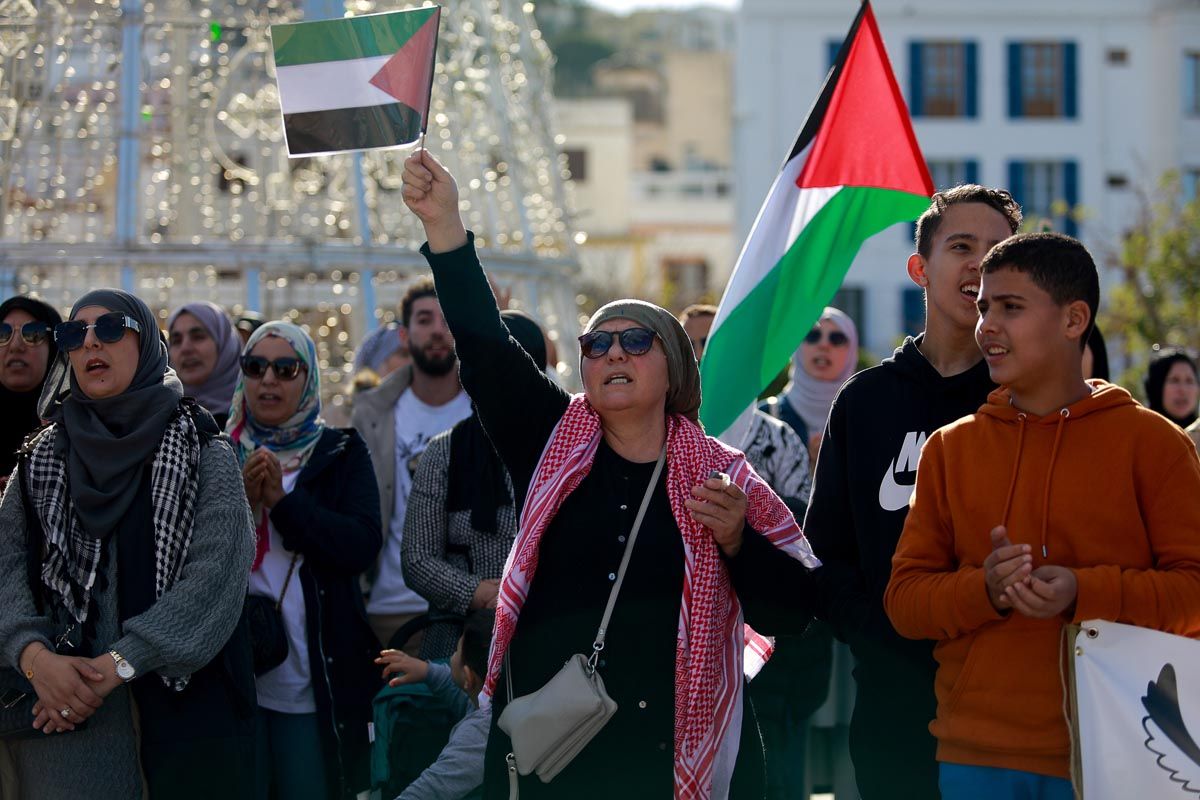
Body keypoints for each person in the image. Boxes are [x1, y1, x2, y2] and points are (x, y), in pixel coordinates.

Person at [400, 148, 821, 799]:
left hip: (671, 762)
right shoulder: (549, 440)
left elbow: (793, 611)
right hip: (558, 756)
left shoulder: (722, 479)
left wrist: (738, 540)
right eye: (596, 344)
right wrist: (444, 227)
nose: (611, 352)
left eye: (634, 340)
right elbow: (485, 345)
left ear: (675, 369)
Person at [886, 232, 1200, 798]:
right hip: (973, 757)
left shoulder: (1156, 445)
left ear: (1074, 319)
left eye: (1010, 307)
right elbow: (905, 603)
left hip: (1125, 751)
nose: (986, 325)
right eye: (983, 306)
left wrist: (1085, 591)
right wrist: (985, 590)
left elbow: (1196, 593)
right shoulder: (948, 450)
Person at [804, 185, 1022, 800]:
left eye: (999, 249)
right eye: (962, 246)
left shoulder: (1032, 401)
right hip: (893, 715)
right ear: (920, 268)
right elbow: (826, 556)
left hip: (1015, 720)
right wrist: (884, 637)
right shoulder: (865, 403)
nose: (980, 263)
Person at [0, 289, 256, 799]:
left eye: (113, 328)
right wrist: (35, 659)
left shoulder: (203, 447)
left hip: (180, 715)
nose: (92, 342)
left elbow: (216, 575)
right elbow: (5, 570)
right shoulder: (38, 460)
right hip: (61, 727)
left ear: (147, 344)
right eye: (75, 333)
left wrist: (117, 663)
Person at [228, 321, 383, 800]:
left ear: (307, 377)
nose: (268, 380)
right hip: (233, 679)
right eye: (255, 367)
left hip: (312, 676)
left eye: (285, 367)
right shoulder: (219, 451)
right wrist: (245, 503)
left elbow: (359, 545)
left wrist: (282, 502)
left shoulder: (339, 451)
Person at [682, 302, 822, 799]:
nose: (704, 357)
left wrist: (739, 527)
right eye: (693, 345)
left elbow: (798, 536)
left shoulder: (777, 438)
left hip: (766, 650)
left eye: (714, 345)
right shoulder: (657, 438)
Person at [402, 310, 547, 660]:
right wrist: (481, 593)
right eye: (483, 363)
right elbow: (417, 559)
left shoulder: (570, 449)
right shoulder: (444, 452)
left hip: (547, 639)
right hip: (460, 649)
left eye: (511, 364)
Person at [353, 280, 475, 651]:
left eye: (447, 320)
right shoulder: (372, 414)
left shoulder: (485, 410)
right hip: (391, 610)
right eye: (425, 320)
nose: (438, 330)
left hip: (472, 609)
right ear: (405, 335)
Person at [376, 608, 496, 800]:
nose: (452, 656)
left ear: (468, 676)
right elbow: (466, 699)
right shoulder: (497, 705)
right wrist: (427, 671)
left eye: (456, 651)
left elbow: (431, 790)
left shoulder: (477, 736)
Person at [760, 307, 859, 465]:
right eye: (813, 336)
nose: (824, 345)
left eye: (837, 339)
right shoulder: (763, 418)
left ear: (852, 351)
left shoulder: (870, 420)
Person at [0, 296, 61, 484]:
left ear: (53, 347)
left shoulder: (74, 427)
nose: (16, 346)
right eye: (3, 333)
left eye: (33, 333)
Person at [168, 301, 242, 427]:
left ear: (226, 346)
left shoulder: (259, 415)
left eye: (198, 337)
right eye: (176, 340)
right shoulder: (159, 421)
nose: (185, 348)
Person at [1143, 346, 1198, 429]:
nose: (1183, 390)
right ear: (1157, 387)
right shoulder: (1139, 435)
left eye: (1189, 381)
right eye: (1174, 380)